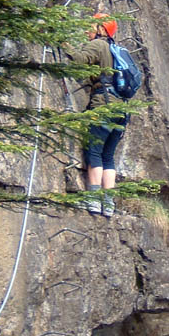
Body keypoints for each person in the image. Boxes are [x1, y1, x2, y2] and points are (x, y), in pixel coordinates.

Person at [64, 13, 128, 216]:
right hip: (121, 110)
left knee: (94, 152)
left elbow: (80, 59)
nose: (86, 30)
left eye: (90, 26)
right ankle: (108, 204)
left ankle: (93, 199)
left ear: (101, 29)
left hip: (103, 105)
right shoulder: (115, 50)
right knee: (108, 156)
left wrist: (62, 42)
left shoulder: (99, 46)